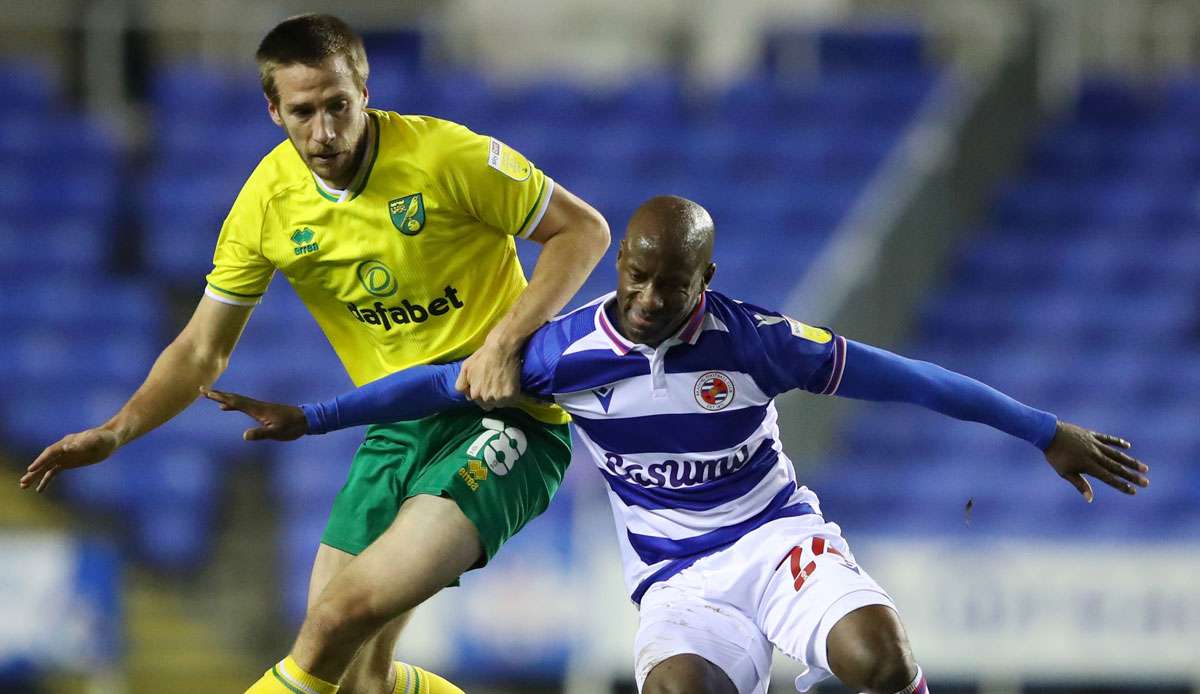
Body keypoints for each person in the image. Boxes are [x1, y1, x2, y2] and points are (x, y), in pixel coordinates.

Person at [202, 195, 1149, 694]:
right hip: (674, 579)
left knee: (882, 660)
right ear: (622, 265)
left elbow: (911, 378)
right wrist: (313, 416)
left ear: (708, 278)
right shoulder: (567, 353)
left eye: (673, 283)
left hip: (776, 542)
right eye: (637, 275)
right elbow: (437, 382)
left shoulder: (756, 342)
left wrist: (1045, 432)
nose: (651, 299)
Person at [19, 13, 610, 694]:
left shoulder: (449, 156)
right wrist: (116, 430)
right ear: (274, 110)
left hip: (508, 420)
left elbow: (584, 231)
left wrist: (506, 341)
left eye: (339, 106)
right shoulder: (269, 204)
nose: (325, 131)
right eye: (304, 112)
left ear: (365, 90)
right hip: (396, 427)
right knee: (361, 679)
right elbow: (202, 350)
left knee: (336, 619)